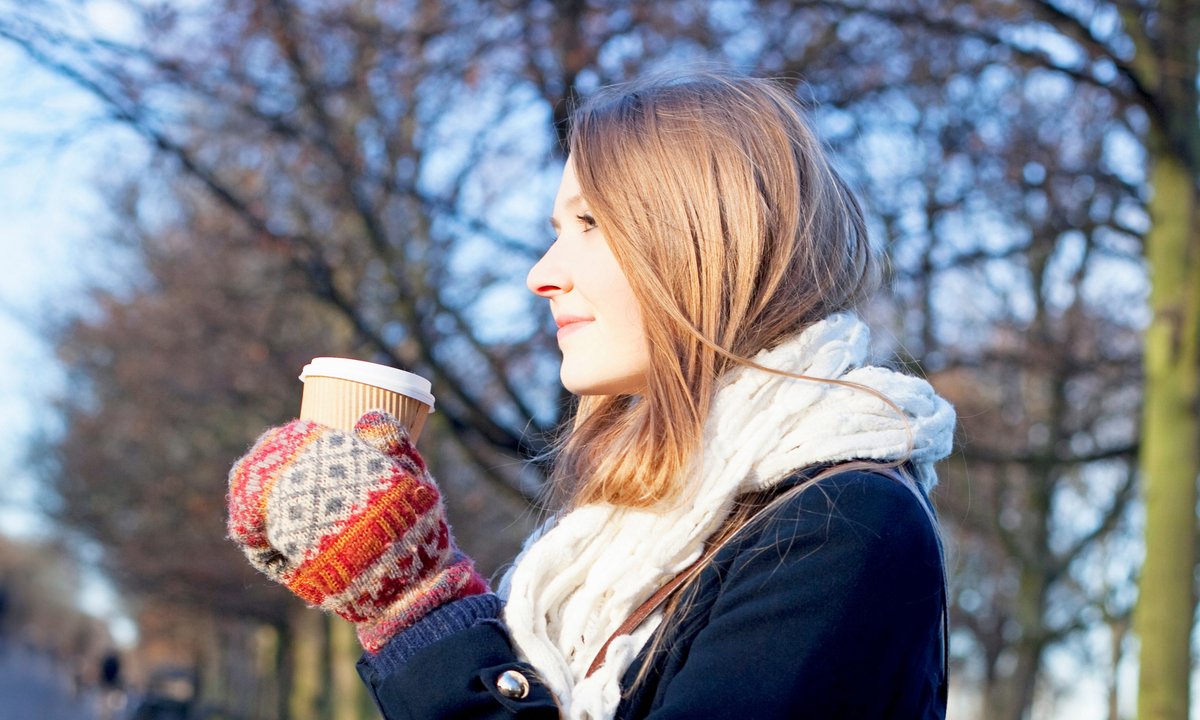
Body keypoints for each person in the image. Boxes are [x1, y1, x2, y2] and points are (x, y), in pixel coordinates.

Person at [227, 68, 955, 719]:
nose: (541, 273)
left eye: (590, 223)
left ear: (706, 238)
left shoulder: (844, 525)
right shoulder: (628, 531)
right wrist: (395, 555)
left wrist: (416, 605)